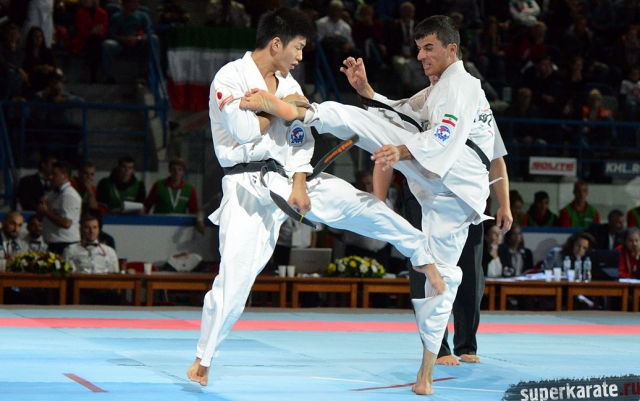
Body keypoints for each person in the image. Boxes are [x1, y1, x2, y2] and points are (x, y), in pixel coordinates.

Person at [187, 8, 440, 390]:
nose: (300, 56)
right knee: (236, 279)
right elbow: (243, 130)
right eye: (298, 47)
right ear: (277, 44)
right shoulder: (229, 77)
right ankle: (203, 360)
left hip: (290, 177)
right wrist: (281, 106)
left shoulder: (288, 83)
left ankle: (419, 251)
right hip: (246, 187)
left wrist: (299, 179)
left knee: (358, 203)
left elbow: (300, 135)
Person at [293, 15, 498, 394]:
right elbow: (403, 111)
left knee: (362, 124)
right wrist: (366, 89)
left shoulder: (461, 85)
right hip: (447, 186)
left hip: (454, 173)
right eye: (418, 48)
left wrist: (402, 151)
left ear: (452, 49)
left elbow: (444, 133)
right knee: (437, 274)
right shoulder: (439, 87)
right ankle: (427, 372)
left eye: (429, 48)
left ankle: (301, 111)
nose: (421, 56)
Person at [144, 157, 205, 234]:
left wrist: (199, 221)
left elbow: (194, 212)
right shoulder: (159, 185)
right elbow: (147, 207)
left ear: (183, 172)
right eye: (174, 169)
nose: (176, 172)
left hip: (178, 228)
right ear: (169, 170)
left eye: (180, 169)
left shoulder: (189, 189)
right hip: (159, 226)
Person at [101, 0, 156, 84]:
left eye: (137, 2)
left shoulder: (143, 16)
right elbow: (111, 34)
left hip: (139, 43)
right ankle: (110, 77)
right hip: (122, 44)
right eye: (133, 2)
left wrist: (139, 38)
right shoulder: (116, 17)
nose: (136, 4)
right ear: (125, 4)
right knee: (107, 44)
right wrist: (123, 39)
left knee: (154, 39)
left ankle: (148, 74)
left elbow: (150, 32)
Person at [37, 161, 82, 254]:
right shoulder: (52, 193)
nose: (50, 177)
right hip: (53, 244)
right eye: (50, 174)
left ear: (64, 176)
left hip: (65, 244)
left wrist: (45, 212)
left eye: (54, 174)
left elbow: (66, 223)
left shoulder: (69, 195)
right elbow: (40, 217)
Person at [70, 0, 108, 83]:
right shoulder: (80, 13)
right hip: (83, 40)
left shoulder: (102, 13)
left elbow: (103, 29)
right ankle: (93, 73)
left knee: (95, 41)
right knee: (94, 43)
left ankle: (92, 72)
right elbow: (81, 30)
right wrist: (92, 32)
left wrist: (96, 32)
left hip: (97, 39)